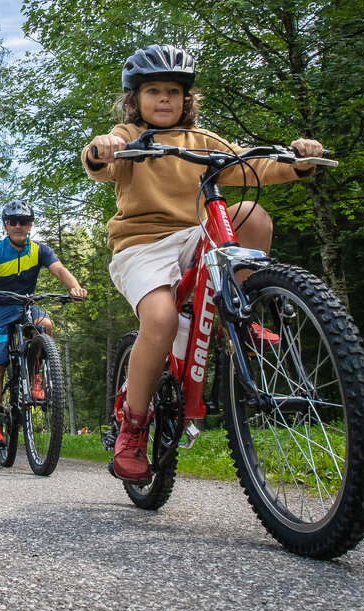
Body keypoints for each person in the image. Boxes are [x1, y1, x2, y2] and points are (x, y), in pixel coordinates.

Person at [81, 44, 324, 484]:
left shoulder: (204, 142)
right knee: (159, 320)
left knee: (251, 213)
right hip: (142, 245)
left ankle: (242, 313)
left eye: (173, 91)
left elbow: (253, 162)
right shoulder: (128, 135)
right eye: (153, 91)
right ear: (135, 99)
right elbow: (101, 159)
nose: (164, 99)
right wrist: (104, 148)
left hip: (196, 236)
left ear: (187, 98)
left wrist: (298, 160)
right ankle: (132, 428)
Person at [0, 200, 88, 449]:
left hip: (25, 305)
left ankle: (35, 379)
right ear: (6, 225)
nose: (19, 226)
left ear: (30, 225)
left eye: (24, 221)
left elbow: (60, 270)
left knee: (45, 325)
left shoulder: (39, 250)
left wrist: (74, 287)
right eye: (13, 221)